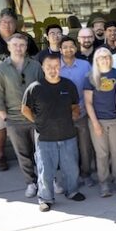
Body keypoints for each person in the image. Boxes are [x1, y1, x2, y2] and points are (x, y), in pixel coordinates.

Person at [0, 8, 39, 171]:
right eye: (4, 22)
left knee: (27, 127)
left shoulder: (26, 39)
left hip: (23, 95)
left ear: (16, 23)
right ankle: (0, 157)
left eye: (11, 22)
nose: (8, 25)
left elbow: (37, 63)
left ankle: (32, 157)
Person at [21, 54, 86, 212]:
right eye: (49, 67)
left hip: (68, 134)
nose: (53, 70)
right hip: (45, 137)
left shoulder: (68, 85)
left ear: (60, 67)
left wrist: (73, 115)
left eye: (56, 66)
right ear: (42, 68)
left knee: (71, 168)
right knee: (46, 170)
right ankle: (45, 198)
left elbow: (75, 105)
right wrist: (37, 123)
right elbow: (25, 109)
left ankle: (72, 191)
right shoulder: (35, 87)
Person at [0, 33, 43, 195]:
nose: (18, 48)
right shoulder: (0, 71)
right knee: (23, 154)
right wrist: (7, 120)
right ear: (8, 47)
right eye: (15, 45)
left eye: (22, 45)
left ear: (26, 47)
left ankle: (47, 180)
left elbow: (43, 91)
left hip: (36, 118)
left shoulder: (35, 66)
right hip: (14, 120)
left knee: (42, 152)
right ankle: (31, 183)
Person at [85, 47, 116, 197]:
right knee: (102, 153)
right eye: (101, 57)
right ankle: (104, 183)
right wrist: (95, 123)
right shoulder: (90, 77)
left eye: (107, 56)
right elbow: (88, 103)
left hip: (115, 119)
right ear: (96, 60)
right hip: (98, 120)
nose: (105, 59)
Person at [59, 36, 95, 188]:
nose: (68, 49)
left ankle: (86, 174)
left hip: (83, 111)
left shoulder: (85, 65)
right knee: (68, 148)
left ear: (76, 48)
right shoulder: (55, 67)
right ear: (60, 50)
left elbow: (92, 86)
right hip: (63, 115)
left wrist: (83, 106)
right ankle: (72, 176)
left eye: (71, 46)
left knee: (85, 146)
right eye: (65, 47)